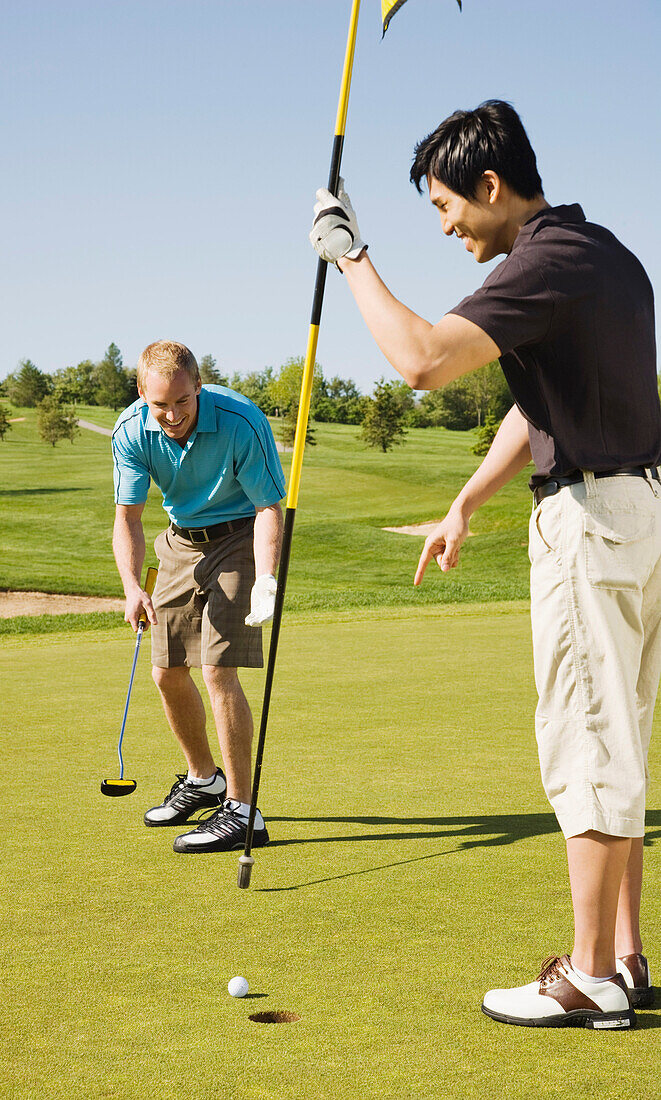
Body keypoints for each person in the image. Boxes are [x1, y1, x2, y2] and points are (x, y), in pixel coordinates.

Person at [310, 99, 660, 1029]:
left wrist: (350, 257)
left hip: (590, 526)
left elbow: (421, 361)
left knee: (585, 743)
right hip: (639, 514)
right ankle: (624, 959)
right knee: (617, 738)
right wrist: (465, 503)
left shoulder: (540, 263)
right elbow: (531, 401)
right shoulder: (605, 257)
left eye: (444, 205)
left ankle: (586, 976)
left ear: (491, 186)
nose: (446, 224)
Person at [111, 340, 285, 853]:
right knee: (166, 669)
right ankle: (203, 778)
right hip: (180, 539)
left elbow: (268, 508)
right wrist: (131, 587)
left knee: (217, 668)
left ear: (198, 387)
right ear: (142, 392)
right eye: (159, 404)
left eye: (182, 402)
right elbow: (129, 518)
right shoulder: (131, 430)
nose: (171, 415)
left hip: (240, 536)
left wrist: (268, 580)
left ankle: (241, 810)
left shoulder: (240, 421)